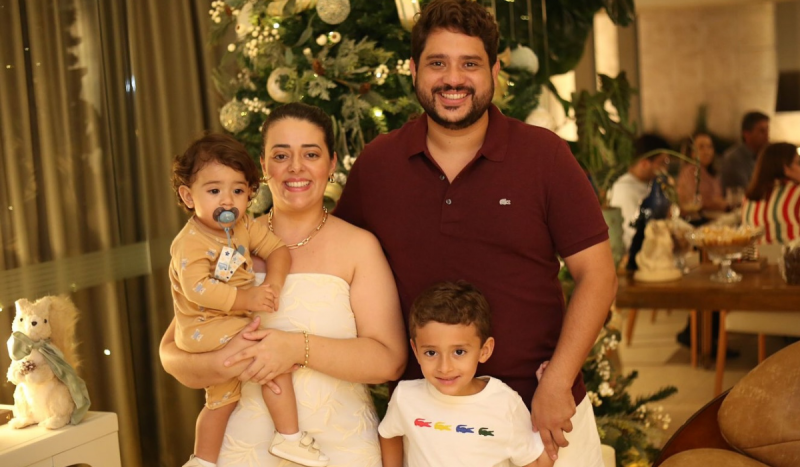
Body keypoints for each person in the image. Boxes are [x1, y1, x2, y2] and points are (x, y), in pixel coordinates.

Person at [335, 1, 618, 464]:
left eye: (470, 63)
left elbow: (598, 275)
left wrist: (557, 381)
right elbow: (335, 267)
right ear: (413, 70)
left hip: (541, 414)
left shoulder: (544, 157)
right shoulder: (377, 166)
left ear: (495, 70)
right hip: (429, 428)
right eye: (437, 63)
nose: (453, 79)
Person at [160, 103, 408, 467]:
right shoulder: (222, 240)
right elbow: (173, 353)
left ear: (332, 163)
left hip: (339, 451)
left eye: (311, 154)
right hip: (243, 451)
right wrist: (226, 361)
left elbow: (390, 361)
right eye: (281, 155)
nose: (296, 167)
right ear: (262, 166)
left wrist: (295, 348)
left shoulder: (359, 247)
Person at [171, 134, 326, 467]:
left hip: (227, 324)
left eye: (238, 191)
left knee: (220, 402)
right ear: (188, 196)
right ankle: (289, 438)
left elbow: (277, 250)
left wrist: (272, 284)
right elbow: (197, 288)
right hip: (203, 328)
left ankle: (202, 461)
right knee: (272, 361)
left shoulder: (241, 226)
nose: (227, 201)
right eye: (214, 191)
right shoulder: (190, 243)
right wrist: (247, 298)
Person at [379, 281, 554, 467]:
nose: (444, 367)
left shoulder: (504, 404)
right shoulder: (406, 397)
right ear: (416, 351)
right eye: (431, 353)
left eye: (459, 352)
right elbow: (389, 434)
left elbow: (538, 463)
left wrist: (550, 394)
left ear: (484, 350)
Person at [607, 134, 672, 250]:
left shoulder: (649, 184)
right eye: (662, 163)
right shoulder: (624, 189)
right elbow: (636, 233)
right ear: (644, 164)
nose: (665, 169)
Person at [741, 142, 800, 244]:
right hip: (792, 258)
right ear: (786, 168)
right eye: (799, 163)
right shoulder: (796, 194)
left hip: (758, 258)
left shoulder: (748, 198)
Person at [676, 132, 727, 214]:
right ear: (691, 152)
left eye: (709, 147)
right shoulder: (690, 171)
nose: (707, 151)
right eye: (701, 147)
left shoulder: (712, 174)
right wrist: (718, 203)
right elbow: (692, 202)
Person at [721, 111, 770, 193]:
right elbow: (747, 192)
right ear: (746, 134)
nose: (767, 136)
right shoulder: (734, 159)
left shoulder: (763, 156)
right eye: (762, 131)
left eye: (767, 130)